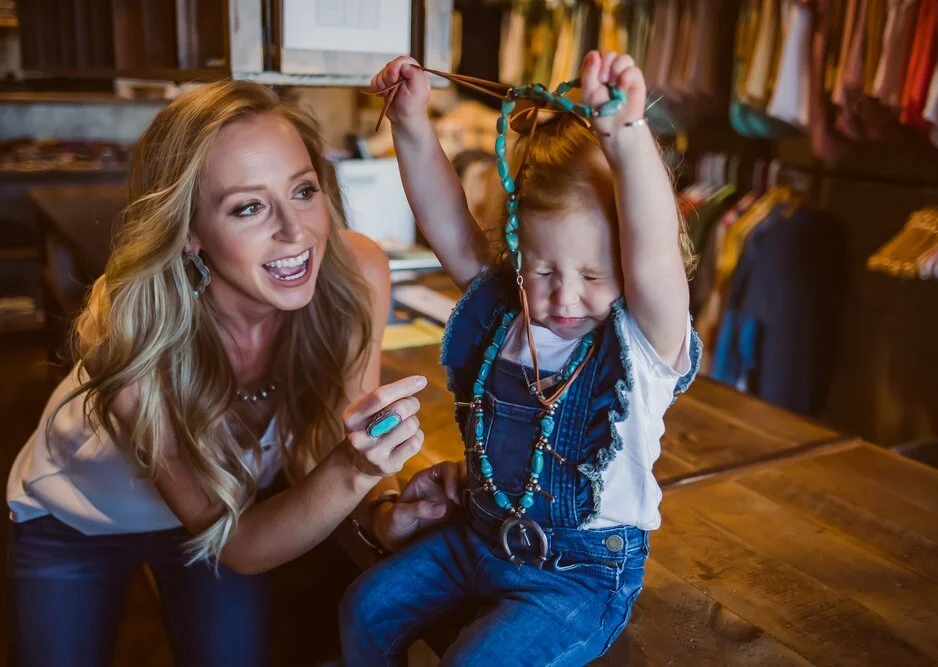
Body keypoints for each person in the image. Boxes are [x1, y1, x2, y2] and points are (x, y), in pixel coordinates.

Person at [6, 80, 462, 667]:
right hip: (80, 518)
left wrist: (384, 509)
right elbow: (245, 546)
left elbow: (333, 436)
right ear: (187, 231)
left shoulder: (356, 274)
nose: (296, 232)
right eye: (249, 207)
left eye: (303, 191)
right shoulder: (125, 328)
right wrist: (355, 468)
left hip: (227, 515)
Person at [339, 51, 701, 665]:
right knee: (365, 608)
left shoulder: (643, 343)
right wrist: (410, 122)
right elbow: (449, 225)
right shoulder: (506, 309)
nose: (564, 296)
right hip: (477, 538)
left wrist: (626, 134)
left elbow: (656, 250)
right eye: (542, 269)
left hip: (577, 577)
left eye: (593, 274)